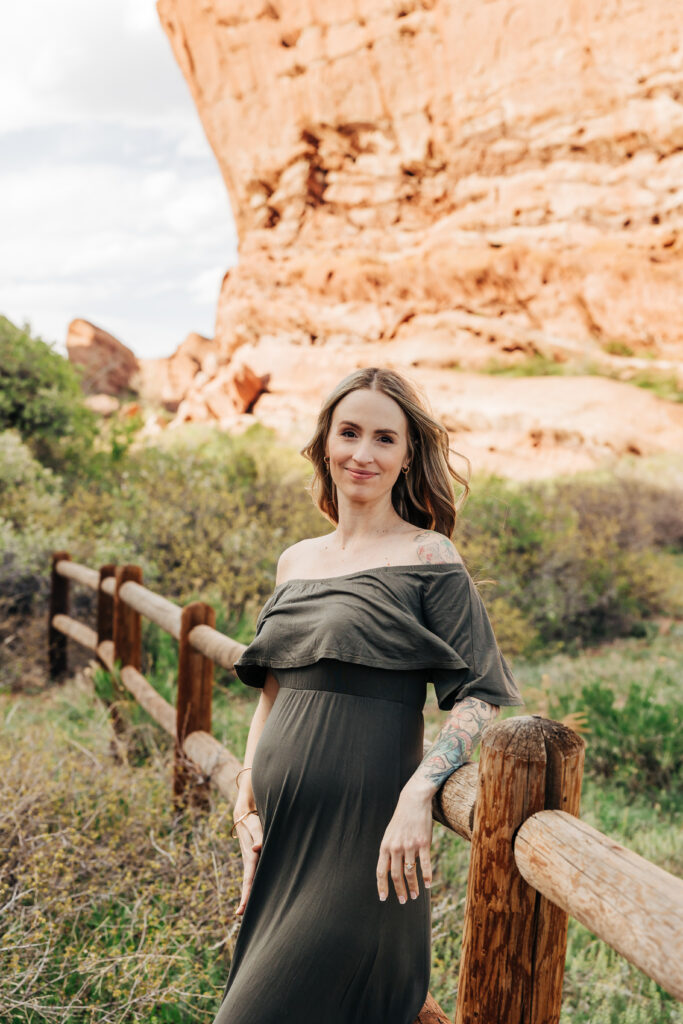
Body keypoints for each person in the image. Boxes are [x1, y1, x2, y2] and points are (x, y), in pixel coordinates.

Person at [212, 367, 523, 1024]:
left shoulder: (427, 556)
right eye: (348, 432)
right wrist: (247, 788)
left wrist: (418, 792)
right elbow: (272, 690)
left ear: (407, 456)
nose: (362, 453)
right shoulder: (295, 561)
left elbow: (481, 696)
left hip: (366, 839)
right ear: (325, 442)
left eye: (384, 438)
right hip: (286, 835)